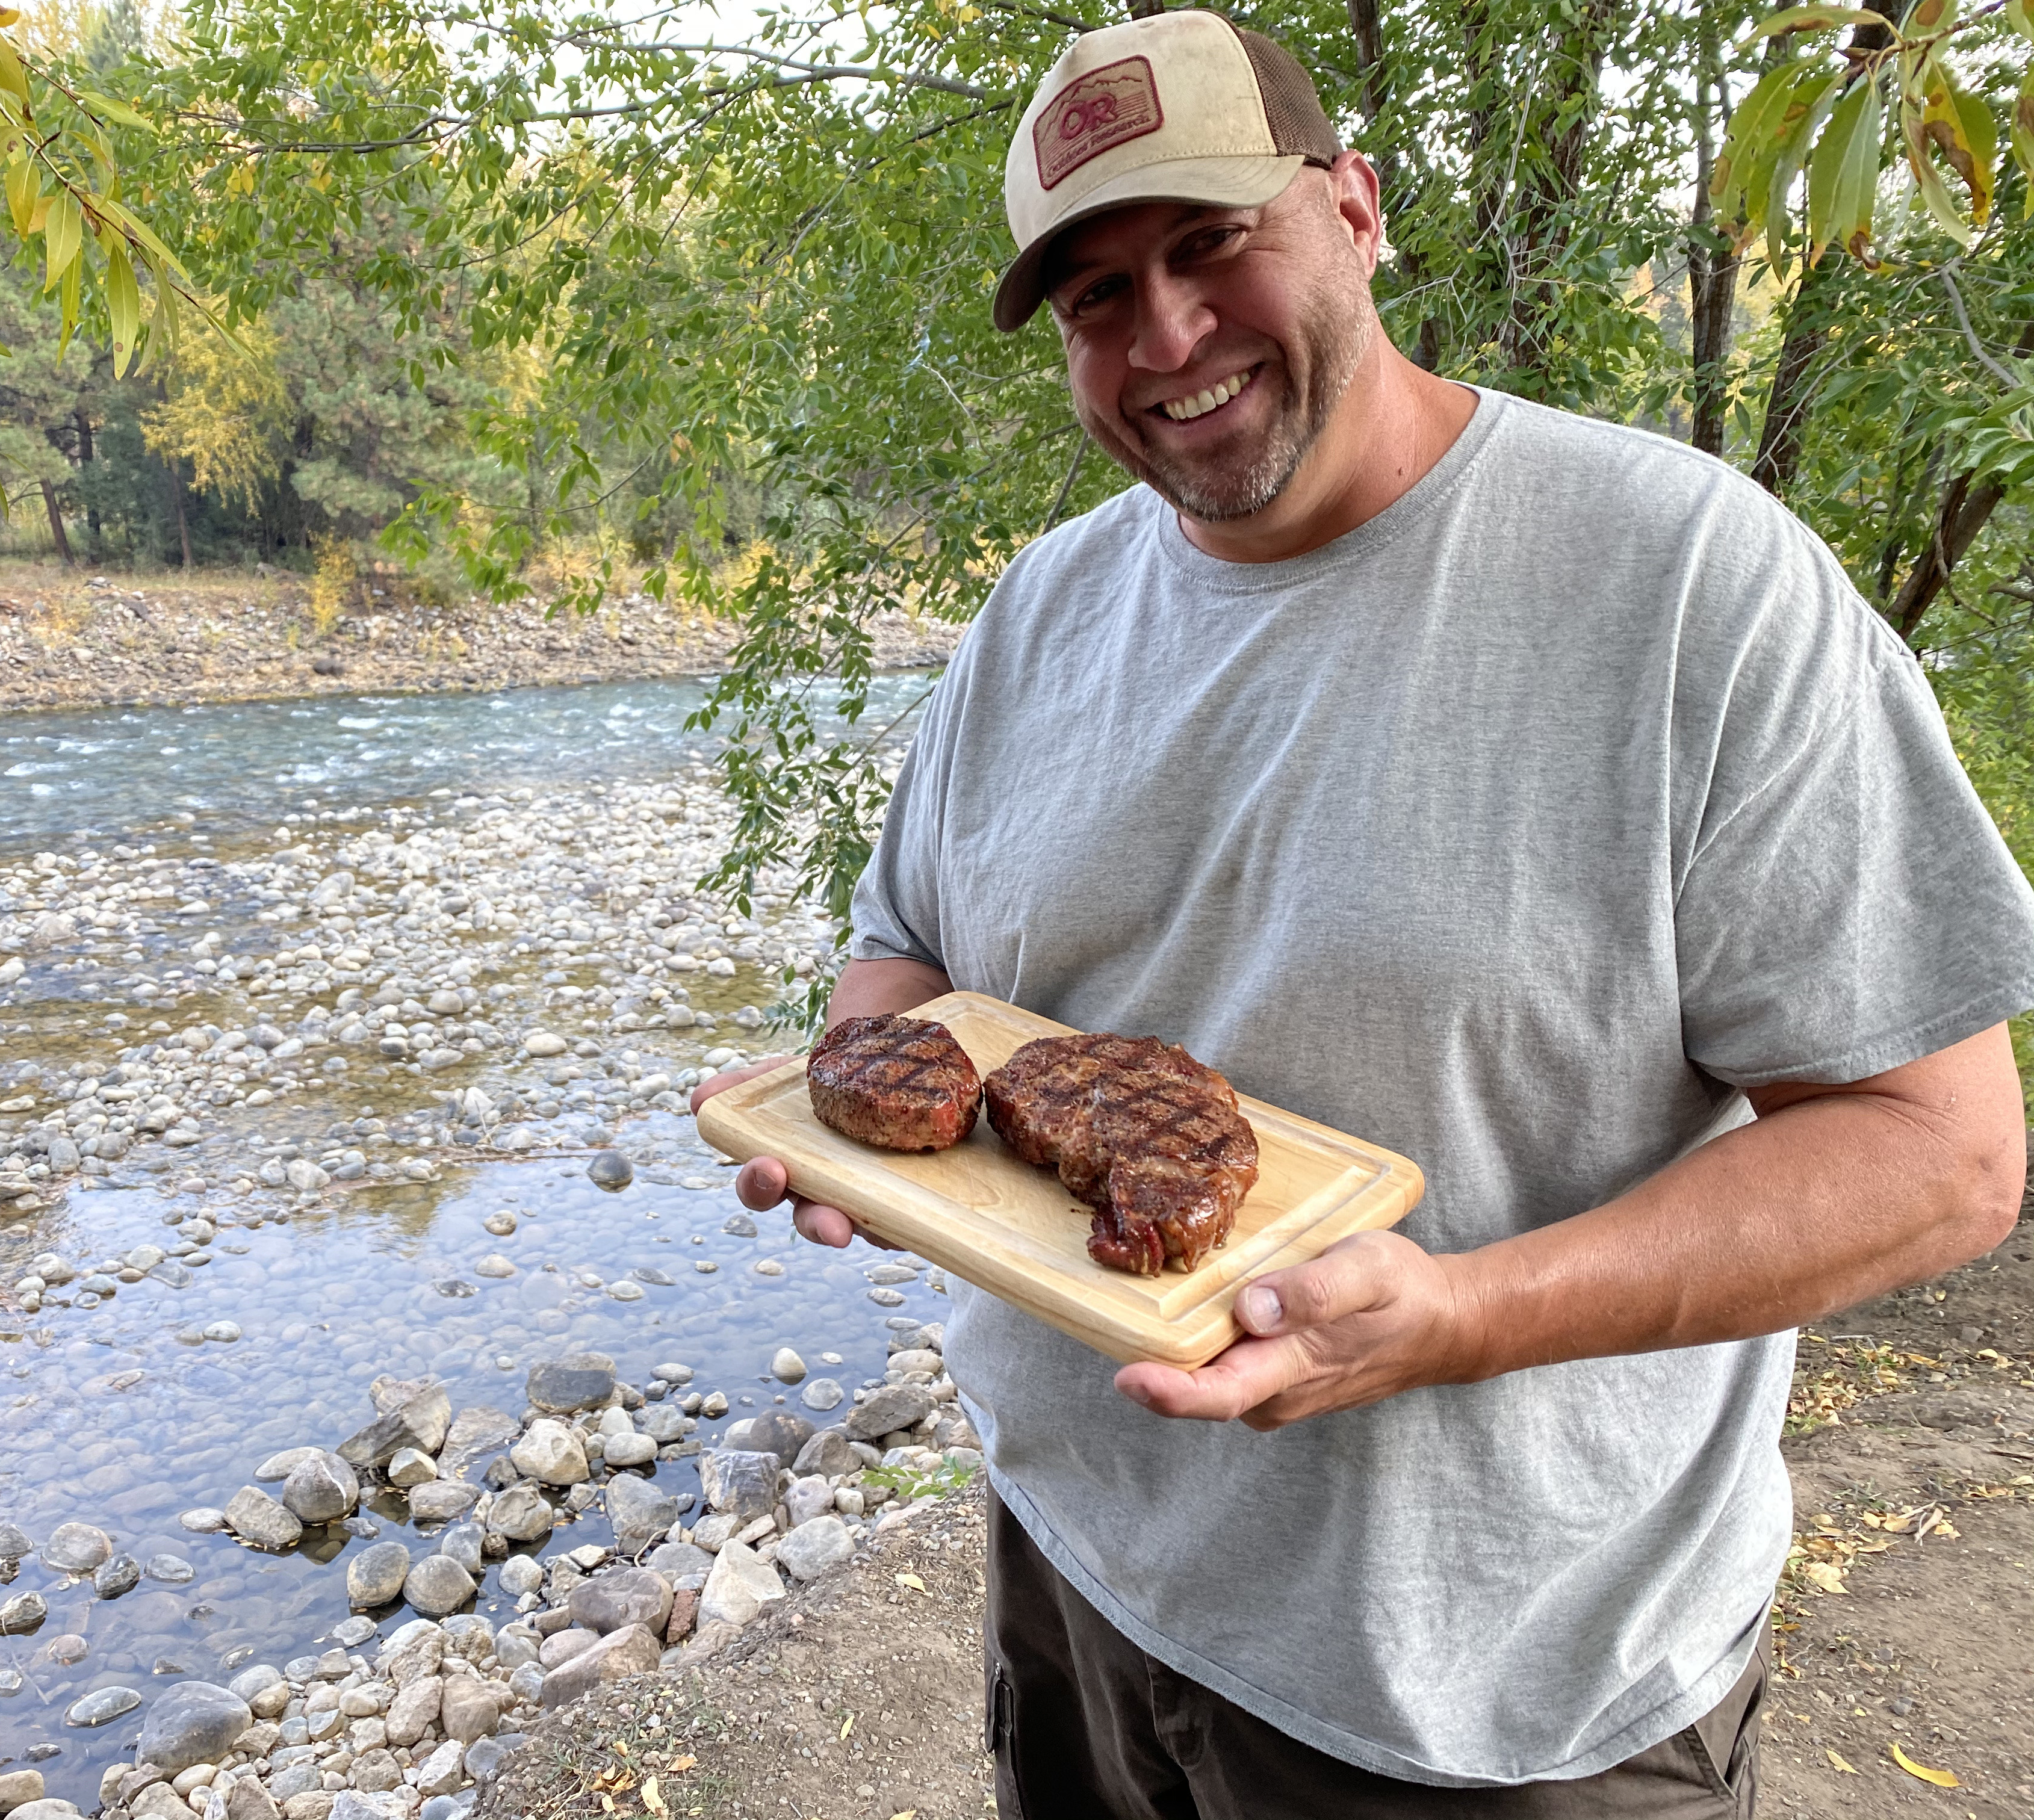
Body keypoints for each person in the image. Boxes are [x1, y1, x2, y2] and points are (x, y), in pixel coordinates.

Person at [689, 10, 2034, 1817]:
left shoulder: (1691, 590)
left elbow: (1940, 1153)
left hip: (1497, 1691)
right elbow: (913, 953)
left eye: (1209, 242)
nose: (1166, 337)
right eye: (1095, 295)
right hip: (1080, 1576)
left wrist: (1466, 1314)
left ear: (1357, 208)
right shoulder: (1040, 617)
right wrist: (861, 1121)